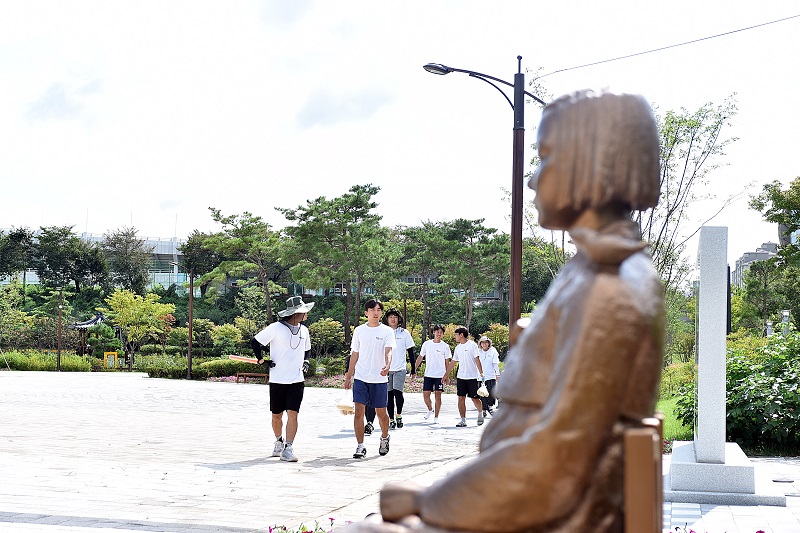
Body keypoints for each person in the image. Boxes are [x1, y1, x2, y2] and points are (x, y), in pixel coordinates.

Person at [376, 90, 665, 532]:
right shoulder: (590, 271)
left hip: (552, 515)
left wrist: (429, 500)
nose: (533, 180)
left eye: (546, 158)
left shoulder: (607, 288)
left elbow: (558, 457)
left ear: (591, 164)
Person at [249, 296, 314, 463]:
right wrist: (262, 360)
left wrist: (306, 361)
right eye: (304, 311)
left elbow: (307, 349)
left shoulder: (304, 330)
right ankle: (279, 440)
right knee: (276, 416)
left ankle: (289, 447)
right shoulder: (275, 328)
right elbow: (255, 342)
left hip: (297, 380)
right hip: (278, 380)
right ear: (295, 313)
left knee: (293, 414)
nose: (306, 314)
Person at [344, 299, 396, 459]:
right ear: (366, 313)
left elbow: (389, 351)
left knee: (381, 413)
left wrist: (387, 365)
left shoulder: (387, 331)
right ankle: (360, 446)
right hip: (361, 378)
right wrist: (348, 375)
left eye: (379, 310)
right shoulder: (359, 331)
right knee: (359, 411)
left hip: (379, 380)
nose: (376, 312)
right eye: (372, 309)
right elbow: (355, 354)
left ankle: (385, 437)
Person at [382, 308, 415, 429]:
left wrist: (413, 369)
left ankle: (399, 415)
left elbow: (411, 351)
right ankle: (391, 419)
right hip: (386, 369)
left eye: (395, 317)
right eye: (390, 317)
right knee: (389, 395)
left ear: (399, 319)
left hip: (400, 368)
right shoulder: (383, 332)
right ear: (387, 319)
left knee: (398, 393)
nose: (392, 319)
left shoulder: (404, 332)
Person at [445, 326, 485, 427]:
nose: (455, 337)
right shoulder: (458, 348)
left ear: (461, 335)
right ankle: (463, 420)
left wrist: (481, 373)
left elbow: (477, 359)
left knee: (474, 398)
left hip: (472, 377)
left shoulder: (472, 345)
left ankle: (480, 413)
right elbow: (453, 362)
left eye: (456, 335)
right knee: (461, 398)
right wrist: (446, 375)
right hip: (461, 377)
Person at [414, 324, 452, 424]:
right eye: (437, 332)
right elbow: (420, 357)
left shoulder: (445, 346)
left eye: (441, 332)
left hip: (440, 375)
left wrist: (447, 375)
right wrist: (414, 369)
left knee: (438, 395)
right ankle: (430, 409)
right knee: (426, 396)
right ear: (433, 332)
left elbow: (447, 362)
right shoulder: (426, 344)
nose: (439, 334)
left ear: (443, 334)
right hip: (428, 374)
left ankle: (436, 417)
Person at [477, 336, 500, 417]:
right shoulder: (478, 352)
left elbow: (495, 364)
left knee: (490, 392)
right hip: (480, 376)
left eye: (486, 342)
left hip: (491, 376)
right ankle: (483, 409)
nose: (484, 344)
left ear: (489, 343)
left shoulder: (493, 351)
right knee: (482, 393)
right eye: (482, 342)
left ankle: (490, 407)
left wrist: (497, 374)